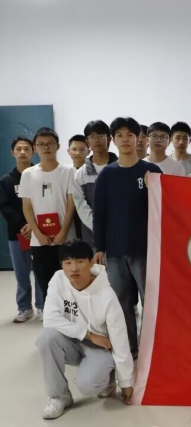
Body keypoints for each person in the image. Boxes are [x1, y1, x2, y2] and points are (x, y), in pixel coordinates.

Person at [36, 240, 134, 420]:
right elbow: (50, 318)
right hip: (73, 340)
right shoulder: (58, 280)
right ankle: (59, 396)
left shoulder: (107, 295)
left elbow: (120, 339)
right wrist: (88, 335)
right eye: (68, 263)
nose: (74, 268)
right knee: (46, 337)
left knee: (88, 385)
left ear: (91, 263)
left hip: (100, 347)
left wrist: (126, 381)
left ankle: (108, 378)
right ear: (62, 265)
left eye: (80, 261)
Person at [93, 117, 162, 356]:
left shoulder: (151, 171)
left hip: (146, 249)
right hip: (115, 250)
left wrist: (154, 188)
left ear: (138, 138)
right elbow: (99, 214)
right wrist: (99, 247)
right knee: (121, 302)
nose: (125, 139)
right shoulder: (107, 175)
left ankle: (152, 348)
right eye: (119, 135)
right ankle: (130, 348)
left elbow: (164, 209)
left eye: (129, 135)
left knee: (150, 301)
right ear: (113, 140)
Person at [19, 127, 77, 301]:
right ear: (35, 148)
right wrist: (37, 233)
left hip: (65, 237)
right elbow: (27, 206)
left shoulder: (68, 171)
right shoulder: (28, 174)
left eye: (50, 143)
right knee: (45, 282)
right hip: (40, 240)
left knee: (70, 282)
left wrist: (63, 232)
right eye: (41, 144)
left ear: (58, 146)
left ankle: (71, 316)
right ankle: (52, 314)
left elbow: (71, 203)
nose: (46, 147)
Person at [0, 136, 43, 322]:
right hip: (17, 234)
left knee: (41, 270)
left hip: (40, 231)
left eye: (26, 148)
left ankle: (42, 306)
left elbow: (44, 202)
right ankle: (25, 308)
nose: (23, 152)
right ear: (13, 152)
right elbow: (5, 207)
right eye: (19, 149)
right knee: (21, 273)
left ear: (33, 151)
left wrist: (34, 225)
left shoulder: (40, 175)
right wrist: (24, 225)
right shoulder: (6, 180)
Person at [73, 120, 118, 248]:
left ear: (109, 139)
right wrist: (97, 226)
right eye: (92, 136)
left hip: (119, 233)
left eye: (100, 135)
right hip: (92, 235)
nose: (96, 140)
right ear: (87, 142)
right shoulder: (80, 174)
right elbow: (80, 204)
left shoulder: (121, 168)